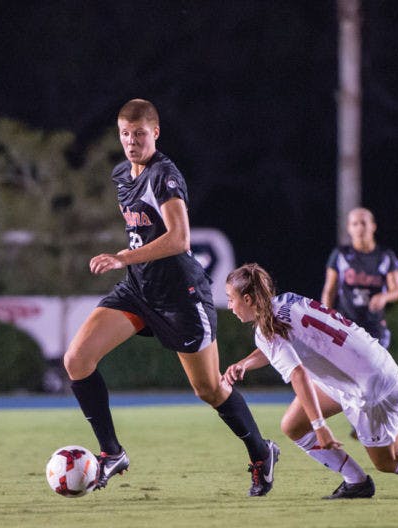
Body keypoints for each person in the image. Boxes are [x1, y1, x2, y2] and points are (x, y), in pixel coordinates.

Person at [63, 99, 279, 496]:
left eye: (139, 134)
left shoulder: (164, 174)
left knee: (209, 389)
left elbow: (179, 239)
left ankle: (261, 451)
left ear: (155, 133)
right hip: (138, 290)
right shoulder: (121, 175)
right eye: (125, 134)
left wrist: (122, 257)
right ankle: (111, 453)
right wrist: (130, 264)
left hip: (181, 295)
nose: (131, 141)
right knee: (77, 360)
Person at [223, 263, 398, 499]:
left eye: (231, 298)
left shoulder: (267, 331)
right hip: (367, 367)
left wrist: (320, 426)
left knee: (389, 461)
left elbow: (298, 374)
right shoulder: (285, 302)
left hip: (369, 388)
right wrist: (246, 363)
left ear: (248, 299)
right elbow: (288, 345)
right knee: (293, 425)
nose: (229, 305)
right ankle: (357, 483)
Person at [321, 207, 398, 349]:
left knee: (376, 369)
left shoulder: (385, 256)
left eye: (364, 223)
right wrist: (326, 319)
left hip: (374, 325)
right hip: (346, 324)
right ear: (349, 228)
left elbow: (397, 291)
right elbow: (329, 290)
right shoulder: (340, 254)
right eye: (355, 224)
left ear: (373, 226)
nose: (359, 227)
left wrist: (384, 297)